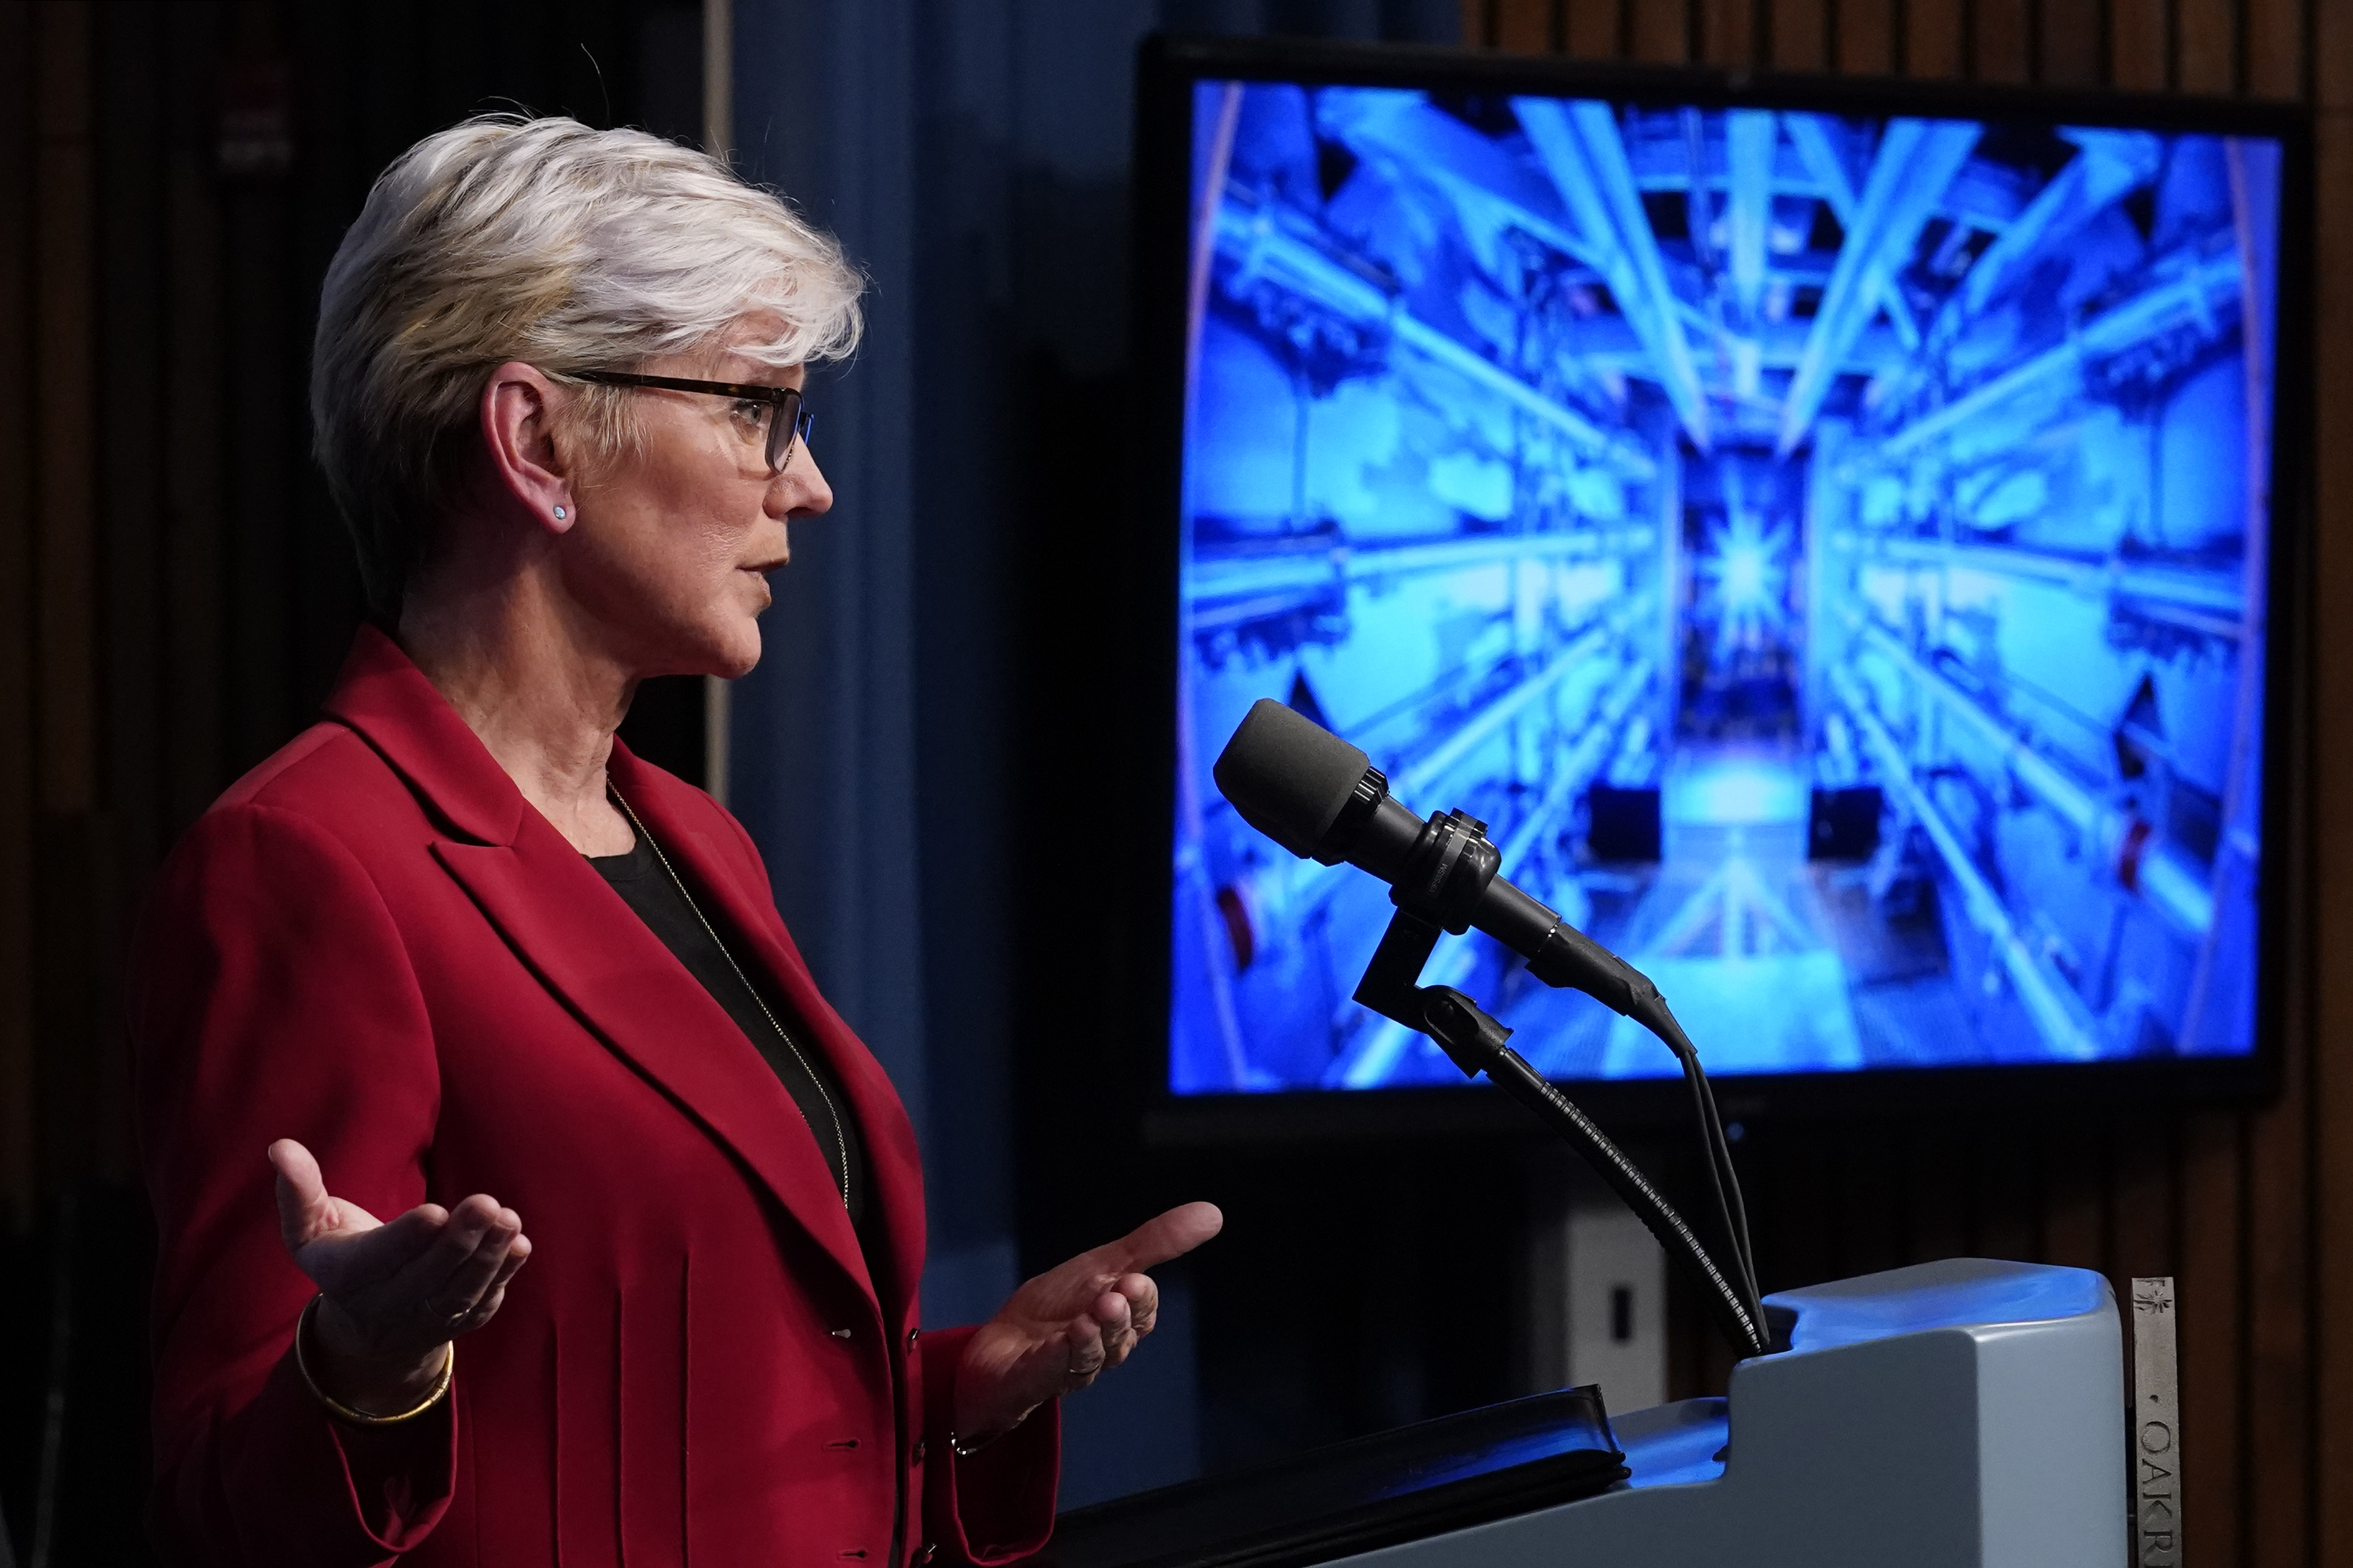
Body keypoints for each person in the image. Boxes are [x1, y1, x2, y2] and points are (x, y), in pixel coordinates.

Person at [128, 115, 1219, 1568]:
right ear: (536, 439)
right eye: (759, 407)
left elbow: (662, 1408)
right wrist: (364, 1366)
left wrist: (959, 1392)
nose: (808, 484)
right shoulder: (304, 863)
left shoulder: (695, 837)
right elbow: (214, 1502)